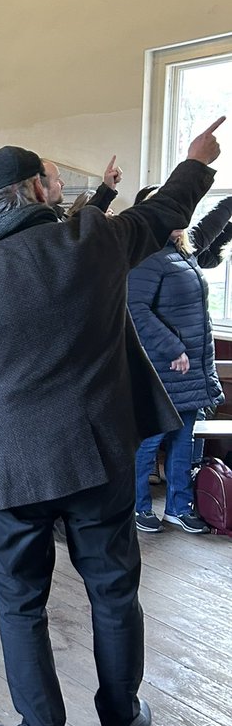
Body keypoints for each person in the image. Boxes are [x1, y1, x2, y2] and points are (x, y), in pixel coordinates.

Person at [0, 122, 223, 726]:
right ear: (36, 188)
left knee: (20, 604)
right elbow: (166, 212)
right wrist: (195, 162)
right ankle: (120, 720)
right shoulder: (91, 241)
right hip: (100, 457)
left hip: (16, 468)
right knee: (114, 591)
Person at [128, 187, 224, 534]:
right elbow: (134, 308)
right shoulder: (145, 256)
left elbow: (213, 225)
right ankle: (136, 507)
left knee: (185, 437)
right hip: (165, 365)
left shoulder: (180, 252)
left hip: (191, 367)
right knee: (151, 439)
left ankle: (178, 508)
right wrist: (173, 348)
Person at [39, 156, 122, 216]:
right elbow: (78, 231)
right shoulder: (41, 224)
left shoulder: (55, 215)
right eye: (57, 179)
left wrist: (108, 186)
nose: (62, 183)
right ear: (39, 187)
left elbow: (79, 226)